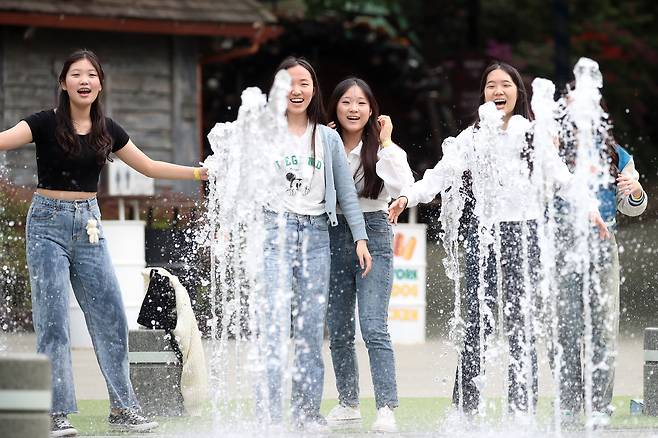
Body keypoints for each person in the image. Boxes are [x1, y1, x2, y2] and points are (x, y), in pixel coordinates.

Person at [0, 49, 208, 437]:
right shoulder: (44, 123)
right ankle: (56, 412)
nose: (84, 81)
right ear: (63, 83)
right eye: (76, 74)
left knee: (111, 315)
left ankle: (124, 408)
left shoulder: (107, 130)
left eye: (91, 75)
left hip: (90, 226)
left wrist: (199, 171)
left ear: (99, 83)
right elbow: (3, 140)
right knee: (53, 321)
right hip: (46, 224)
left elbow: (148, 166)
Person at [388, 61, 609, 415]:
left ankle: (522, 410)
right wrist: (407, 196)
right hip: (484, 235)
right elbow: (439, 175)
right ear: (483, 95)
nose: (497, 91)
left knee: (522, 324)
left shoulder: (532, 135)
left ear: (518, 93)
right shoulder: (471, 138)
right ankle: (466, 410)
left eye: (505, 85)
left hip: (526, 235)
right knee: (477, 323)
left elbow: (562, 179)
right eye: (491, 85)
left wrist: (590, 209)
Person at [262, 57, 372, 430]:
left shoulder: (327, 138)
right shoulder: (263, 132)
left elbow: (346, 193)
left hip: (316, 234)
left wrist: (360, 237)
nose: (297, 90)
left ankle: (307, 412)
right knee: (274, 325)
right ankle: (270, 414)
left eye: (304, 83)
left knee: (310, 328)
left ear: (314, 89)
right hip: (275, 231)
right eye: (289, 83)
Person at [553, 83, 648, 427]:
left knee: (603, 325)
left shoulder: (615, 154)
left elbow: (632, 207)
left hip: (602, 242)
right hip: (561, 243)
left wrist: (635, 192)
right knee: (565, 326)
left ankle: (600, 405)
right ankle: (568, 402)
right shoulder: (552, 151)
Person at [323, 78, 414, 432]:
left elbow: (404, 185)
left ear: (372, 110)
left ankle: (386, 407)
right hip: (331, 231)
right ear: (335, 107)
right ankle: (348, 403)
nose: (353, 109)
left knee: (374, 327)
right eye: (346, 102)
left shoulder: (383, 149)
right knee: (340, 330)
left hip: (373, 231)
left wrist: (388, 141)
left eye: (361, 103)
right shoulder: (325, 143)